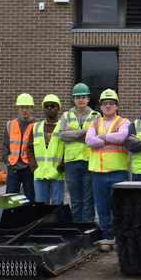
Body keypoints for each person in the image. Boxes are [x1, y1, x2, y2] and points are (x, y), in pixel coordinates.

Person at [85, 88, 130, 243]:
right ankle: (106, 237)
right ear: (101, 106)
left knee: (118, 209)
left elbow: (122, 136)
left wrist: (103, 136)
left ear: (117, 106)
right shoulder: (94, 123)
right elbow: (89, 141)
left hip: (118, 172)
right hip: (98, 172)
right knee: (102, 208)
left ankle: (118, 238)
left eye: (111, 103)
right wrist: (110, 138)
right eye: (105, 103)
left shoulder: (124, 122)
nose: (108, 106)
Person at [57, 83, 99, 222]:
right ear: (73, 99)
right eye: (78, 97)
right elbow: (62, 136)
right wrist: (83, 133)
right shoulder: (66, 115)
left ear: (88, 99)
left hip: (89, 161)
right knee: (75, 201)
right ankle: (77, 230)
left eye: (83, 97)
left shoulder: (96, 116)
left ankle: (87, 229)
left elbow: (96, 137)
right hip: (71, 162)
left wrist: (74, 134)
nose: (81, 100)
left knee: (88, 200)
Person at [31, 95, 66, 205]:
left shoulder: (64, 127)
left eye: (53, 106)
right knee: (41, 207)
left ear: (58, 108)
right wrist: (34, 168)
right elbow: (29, 149)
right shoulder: (36, 127)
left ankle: (56, 223)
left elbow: (67, 148)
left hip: (58, 173)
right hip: (40, 173)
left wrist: (61, 167)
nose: (49, 108)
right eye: (46, 106)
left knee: (57, 206)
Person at [4, 93, 38, 201]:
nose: (24, 110)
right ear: (18, 108)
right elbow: (5, 145)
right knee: (10, 199)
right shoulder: (10, 124)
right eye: (22, 107)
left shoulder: (37, 125)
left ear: (31, 108)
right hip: (13, 167)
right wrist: (7, 161)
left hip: (28, 168)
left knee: (30, 198)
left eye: (27, 107)